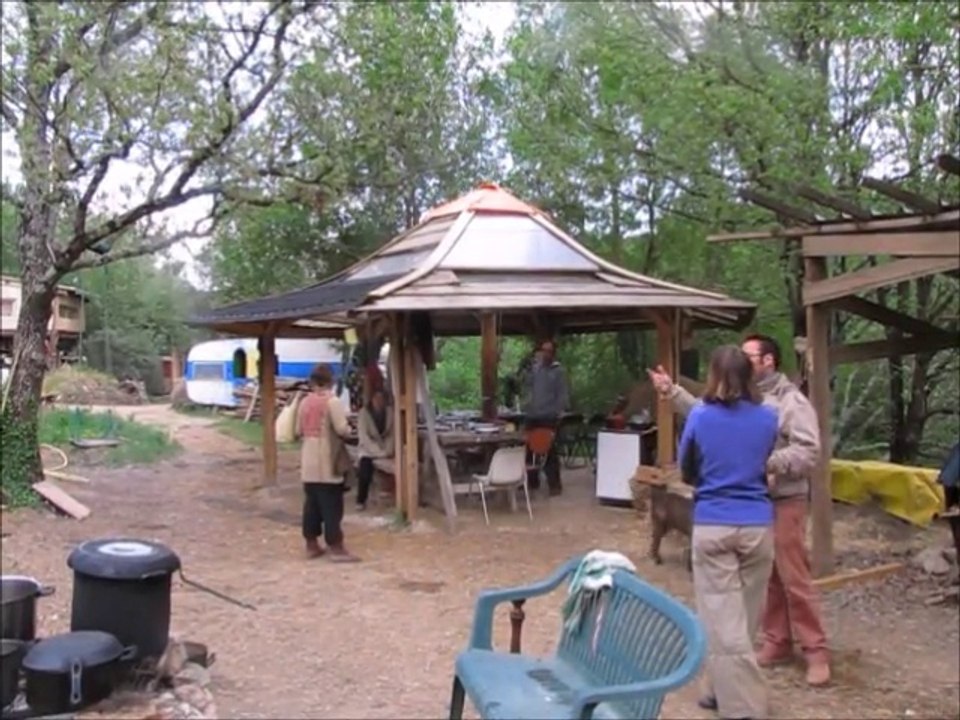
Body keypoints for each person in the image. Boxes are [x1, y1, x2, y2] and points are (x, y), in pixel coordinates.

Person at [649, 332, 830, 687]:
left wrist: (767, 463)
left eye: (749, 357)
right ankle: (777, 641)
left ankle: (816, 650)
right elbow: (709, 414)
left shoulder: (789, 400)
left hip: (784, 498)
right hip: (754, 501)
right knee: (770, 578)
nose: (743, 363)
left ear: (768, 361)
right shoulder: (746, 398)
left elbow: (809, 450)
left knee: (793, 575)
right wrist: (672, 392)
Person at [679, 345, 779, 720]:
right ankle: (717, 691)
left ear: (714, 375)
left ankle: (745, 708)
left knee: (723, 622)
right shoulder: (769, 416)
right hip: (757, 524)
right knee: (743, 618)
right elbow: (764, 459)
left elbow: (688, 469)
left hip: (714, 522)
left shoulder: (702, 416)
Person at [296, 363, 358, 562]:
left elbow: (298, 430)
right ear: (330, 380)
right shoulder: (332, 401)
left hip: (308, 458)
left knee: (311, 503)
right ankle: (335, 545)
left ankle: (311, 543)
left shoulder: (304, 402)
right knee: (331, 503)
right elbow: (342, 429)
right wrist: (350, 428)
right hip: (326, 457)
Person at [522, 339, 570, 495]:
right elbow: (527, 385)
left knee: (548, 451)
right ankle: (531, 481)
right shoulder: (535, 369)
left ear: (553, 353)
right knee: (529, 449)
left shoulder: (558, 371)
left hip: (548, 417)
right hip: (533, 415)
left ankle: (554, 485)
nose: (545, 354)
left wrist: (557, 413)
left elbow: (562, 395)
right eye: (543, 350)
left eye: (548, 351)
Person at [356, 388, 394, 511]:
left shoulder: (389, 412)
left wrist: (387, 450)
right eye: (376, 399)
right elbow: (363, 437)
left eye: (381, 399)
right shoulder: (364, 413)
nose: (379, 402)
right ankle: (361, 500)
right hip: (368, 449)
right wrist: (377, 452)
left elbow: (392, 434)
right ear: (371, 400)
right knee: (365, 470)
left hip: (385, 448)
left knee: (399, 467)